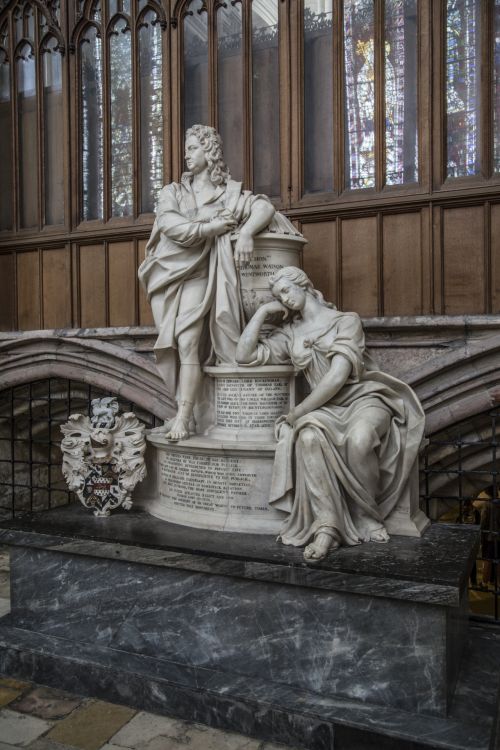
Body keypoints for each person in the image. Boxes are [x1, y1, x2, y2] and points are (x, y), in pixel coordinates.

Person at [236, 267, 425, 562]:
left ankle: (366, 513)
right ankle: (327, 527)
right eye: (278, 296)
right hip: (325, 409)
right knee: (308, 437)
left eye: (286, 290)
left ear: (305, 285)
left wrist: (296, 413)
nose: (283, 299)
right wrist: (261, 314)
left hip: (364, 399)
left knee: (360, 439)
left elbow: (337, 378)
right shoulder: (290, 334)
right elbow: (243, 356)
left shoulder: (345, 321)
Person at [138, 125, 275, 440]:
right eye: (186, 149)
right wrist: (213, 227)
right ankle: (186, 411)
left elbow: (263, 207)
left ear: (210, 152)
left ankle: (184, 417)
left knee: (187, 343)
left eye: (193, 148)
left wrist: (247, 233)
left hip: (201, 273)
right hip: (166, 275)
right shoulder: (172, 192)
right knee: (170, 345)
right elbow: (171, 225)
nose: (186, 155)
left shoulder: (228, 193)